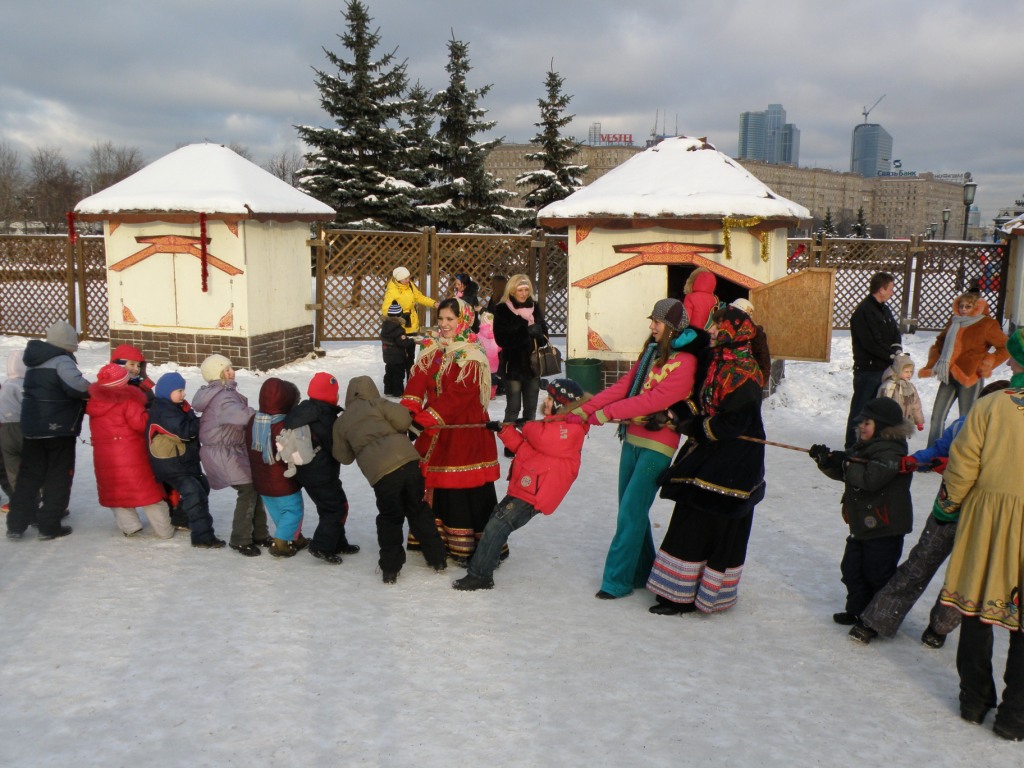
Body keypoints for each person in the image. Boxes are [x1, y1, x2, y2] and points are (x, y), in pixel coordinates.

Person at [852, 379, 1011, 646]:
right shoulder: (963, 425)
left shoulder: (1012, 438)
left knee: (967, 574)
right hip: (948, 507)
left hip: (986, 515)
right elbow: (939, 450)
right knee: (920, 562)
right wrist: (917, 460)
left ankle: (940, 626)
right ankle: (877, 618)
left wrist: (953, 464)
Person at [566, 298, 698, 600]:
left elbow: (654, 400)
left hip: (658, 446)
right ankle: (642, 572)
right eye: (652, 320)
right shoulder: (652, 353)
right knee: (631, 511)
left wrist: (606, 414)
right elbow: (623, 387)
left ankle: (616, 581)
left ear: (673, 327)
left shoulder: (686, 362)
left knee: (630, 512)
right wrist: (585, 409)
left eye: (657, 322)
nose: (651, 326)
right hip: (632, 440)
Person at [646, 305, 767, 614]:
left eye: (717, 326)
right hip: (711, 450)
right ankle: (678, 592)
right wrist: (673, 413)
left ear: (731, 333)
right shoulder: (715, 362)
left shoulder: (746, 374)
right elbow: (699, 400)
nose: (711, 331)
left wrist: (696, 428)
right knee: (691, 516)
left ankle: (697, 595)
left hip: (735, 459)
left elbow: (732, 424)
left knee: (711, 521)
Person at [936, 329, 1024, 739]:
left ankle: (974, 701)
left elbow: (963, 463)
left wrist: (949, 505)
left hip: (988, 517)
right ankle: (1015, 717)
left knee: (974, 608)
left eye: (1014, 358)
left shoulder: (991, 406)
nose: (1007, 363)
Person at [453, 379, 590, 591]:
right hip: (527, 484)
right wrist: (504, 430)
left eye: (551, 399)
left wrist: (525, 424)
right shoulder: (552, 425)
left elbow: (543, 439)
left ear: (563, 405)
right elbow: (524, 448)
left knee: (498, 524)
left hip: (538, 491)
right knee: (496, 519)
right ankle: (488, 559)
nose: (546, 402)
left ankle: (480, 575)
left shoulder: (571, 429)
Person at [401, 297, 499, 565]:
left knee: (461, 486)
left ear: (463, 320)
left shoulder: (472, 355)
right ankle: (434, 540)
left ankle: (467, 544)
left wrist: (423, 420)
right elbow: (416, 384)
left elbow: (460, 396)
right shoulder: (432, 351)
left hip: (463, 432)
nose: (443, 325)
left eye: (449, 319)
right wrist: (406, 415)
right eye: (441, 319)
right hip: (434, 430)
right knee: (432, 484)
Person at [332, 375, 448, 583]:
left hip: (381, 473)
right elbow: (404, 420)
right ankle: (437, 558)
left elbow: (344, 457)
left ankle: (390, 569)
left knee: (390, 517)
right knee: (418, 509)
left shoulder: (341, 422)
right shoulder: (378, 403)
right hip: (408, 462)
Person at [809, 397, 913, 627]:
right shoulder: (865, 447)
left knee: (877, 575)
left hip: (885, 525)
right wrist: (827, 461)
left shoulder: (891, 452)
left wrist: (847, 463)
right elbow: (848, 472)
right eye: (861, 423)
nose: (861, 427)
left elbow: (870, 479)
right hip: (864, 523)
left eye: (867, 423)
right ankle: (857, 610)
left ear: (883, 427)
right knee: (852, 569)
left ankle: (878, 619)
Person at [6, 321, 90, 541]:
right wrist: (95, 389)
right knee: (58, 476)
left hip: (33, 427)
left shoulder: (34, 361)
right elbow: (77, 387)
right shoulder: (61, 360)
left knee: (29, 477)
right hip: (58, 428)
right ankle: (49, 525)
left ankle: (16, 524)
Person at [192, 354, 269, 557]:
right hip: (222, 451)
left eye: (231, 368)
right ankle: (240, 539)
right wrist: (263, 415)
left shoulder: (223, 392)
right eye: (225, 370)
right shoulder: (223, 397)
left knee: (255, 487)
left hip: (229, 449)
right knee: (249, 489)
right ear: (216, 375)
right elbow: (239, 415)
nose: (231, 372)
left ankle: (260, 534)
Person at [87, 364, 173, 538]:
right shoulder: (128, 400)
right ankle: (164, 530)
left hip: (105, 457)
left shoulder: (94, 403)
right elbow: (140, 424)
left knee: (117, 493)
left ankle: (130, 527)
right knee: (149, 493)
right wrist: (150, 414)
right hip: (132, 453)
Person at [919, 281, 1007, 446]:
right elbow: (940, 342)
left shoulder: (986, 324)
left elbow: (1005, 347)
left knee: (966, 419)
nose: (963, 309)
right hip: (949, 375)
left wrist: (987, 363)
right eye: (961, 306)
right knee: (937, 416)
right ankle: (930, 456)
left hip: (970, 378)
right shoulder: (954, 321)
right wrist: (932, 362)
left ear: (975, 307)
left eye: (968, 306)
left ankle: (963, 457)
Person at [283, 372, 359, 564]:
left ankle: (338, 542)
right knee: (336, 509)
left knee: (332, 507)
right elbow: (335, 447)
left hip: (306, 471)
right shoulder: (325, 417)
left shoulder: (303, 410)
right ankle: (321, 546)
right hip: (321, 473)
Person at [146, 372, 224, 549]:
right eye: (179, 390)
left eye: (183, 390)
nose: (183, 394)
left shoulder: (177, 407)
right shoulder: (164, 412)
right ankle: (203, 537)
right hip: (170, 464)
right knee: (194, 493)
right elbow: (185, 432)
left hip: (183, 461)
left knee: (202, 484)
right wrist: (205, 420)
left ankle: (182, 519)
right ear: (167, 392)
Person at [246, 377, 306, 558]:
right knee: (293, 510)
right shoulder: (284, 425)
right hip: (283, 480)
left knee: (278, 512)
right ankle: (281, 543)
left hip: (261, 480)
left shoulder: (253, 421)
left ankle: (294, 537)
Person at [845, 272, 902, 449]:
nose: (892, 292)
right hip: (868, 370)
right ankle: (852, 445)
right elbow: (871, 343)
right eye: (890, 289)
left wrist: (898, 350)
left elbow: (894, 332)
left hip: (883, 369)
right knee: (861, 409)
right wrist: (891, 356)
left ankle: (870, 442)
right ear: (881, 289)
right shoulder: (864, 312)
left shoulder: (884, 309)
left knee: (877, 410)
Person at [493, 274, 549, 436]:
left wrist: (539, 334)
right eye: (520, 290)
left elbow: (544, 338)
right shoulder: (503, 309)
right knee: (513, 407)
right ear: (512, 290)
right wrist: (526, 332)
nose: (524, 293)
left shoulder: (534, 307)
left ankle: (528, 440)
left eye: (526, 290)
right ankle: (509, 442)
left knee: (530, 409)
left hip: (533, 366)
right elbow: (501, 340)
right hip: (513, 367)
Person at [380, 266, 436, 374]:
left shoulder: (409, 285)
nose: (408, 280)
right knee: (401, 358)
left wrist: (433, 303)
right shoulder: (392, 291)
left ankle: (410, 381)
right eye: (405, 278)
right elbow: (386, 311)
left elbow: (419, 297)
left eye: (408, 277)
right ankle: (398, 386)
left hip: (412, 325)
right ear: (398, 279)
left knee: (411, 357)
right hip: (400, 329)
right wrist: (400, 316)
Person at [0, 349, 27, 508]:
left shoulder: (7, 386)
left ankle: (18, 499)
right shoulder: (25, 386)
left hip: (6, 430)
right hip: (21, 428)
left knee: (10, 467)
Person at [876, 352, 925, 436]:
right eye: (906, 371)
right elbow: (880, 403)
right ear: (898, 370)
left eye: (911, 371)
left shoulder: (910, 387)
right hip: (888, 423)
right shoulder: (889, 386)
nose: (909, 374)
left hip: (904, 422)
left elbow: (916, 405)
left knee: (901, 440)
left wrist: (919, 421)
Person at [381, 301, 416, 396]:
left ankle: (388, 390)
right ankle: (398, 392)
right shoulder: (399, 330)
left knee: (389, 373)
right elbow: (402, 343)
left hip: (387, 356)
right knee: (398, 375)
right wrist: (412, 341)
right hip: (398, 357)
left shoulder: (385, 327)